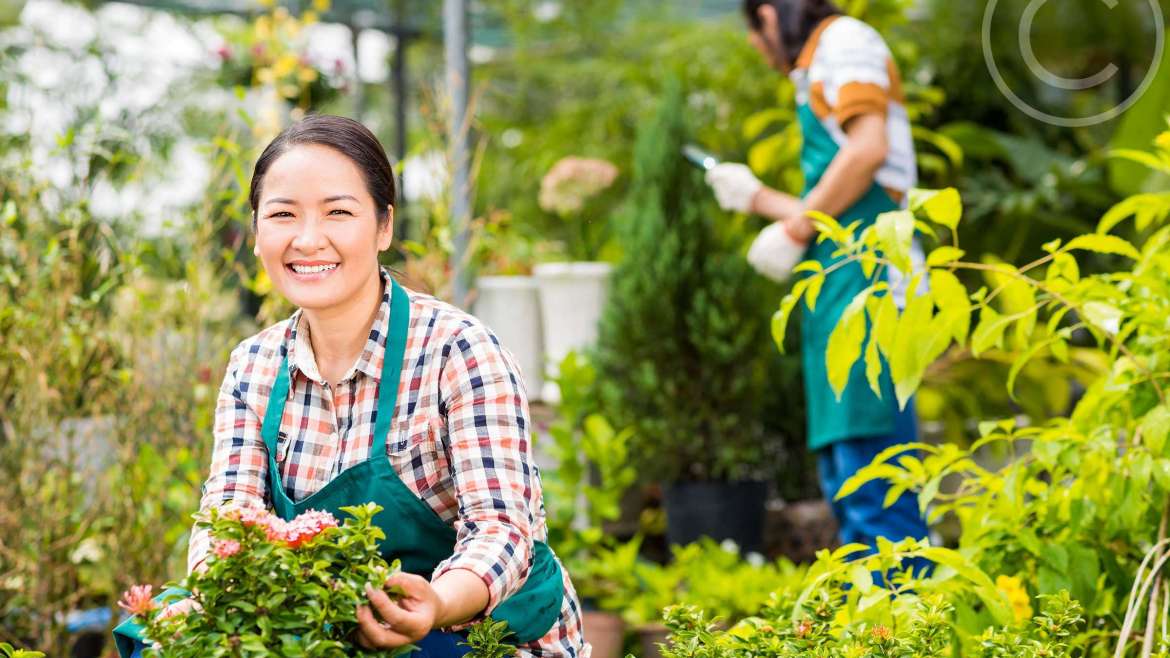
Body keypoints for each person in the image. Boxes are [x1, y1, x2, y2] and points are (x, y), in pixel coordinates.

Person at [113, 115, 588, 658]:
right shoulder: (254, 366)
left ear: (384, 226)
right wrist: (212, 591)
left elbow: (502, 530)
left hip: (476, 634)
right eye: (283, 214)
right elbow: (229, 512)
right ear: (256, 232)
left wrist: (433, 602)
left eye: (338, 212)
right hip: (329, 634)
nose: (309, 239)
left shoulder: (458, 350)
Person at [704, 0, 930, 557]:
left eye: (756, 36)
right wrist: (759, 199)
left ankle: (905, 629)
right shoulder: (819, 65)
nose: (762, 53)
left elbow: (868, 149)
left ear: (771, 15)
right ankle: (875, 630)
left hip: (871, 281)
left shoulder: (843, 41)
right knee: (847, 476)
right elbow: (835, 201)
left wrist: (797, 229)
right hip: (842, 278)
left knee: (875, 481)